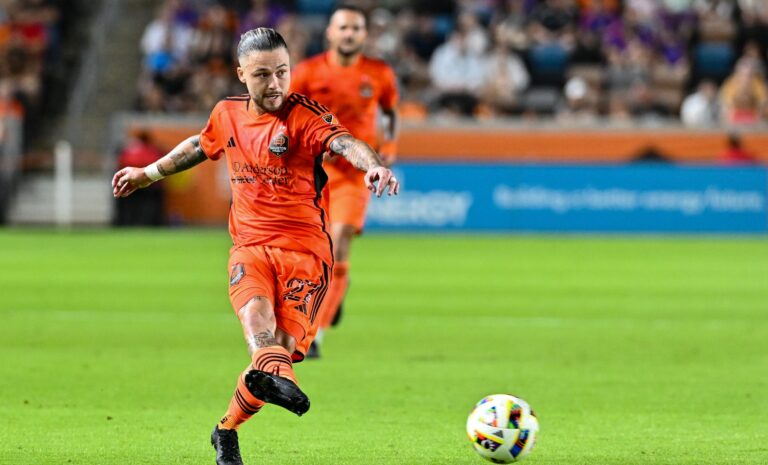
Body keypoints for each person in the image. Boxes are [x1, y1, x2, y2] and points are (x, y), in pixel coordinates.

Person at [112, 28, 399, 465]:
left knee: (276, 353)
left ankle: (225, 430)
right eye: (263, 74)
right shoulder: (227, 114)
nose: (275, 84)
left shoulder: (304, 117)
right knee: (255, 319)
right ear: (241, 73)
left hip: (305, 254)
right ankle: (277, 375)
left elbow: (345, 143)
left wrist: (374, 166)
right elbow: (199, 144)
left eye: (282, 72)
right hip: (250, 246)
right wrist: (147, 173)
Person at [290, 4, 399, 358]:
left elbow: (391, 112)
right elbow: (287, 113)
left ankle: (315, 334)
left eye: (356, 28)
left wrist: (390, 148)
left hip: (356, 174)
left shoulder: (379, 73)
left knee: (338, 243)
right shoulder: (307, 72)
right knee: (313, 251)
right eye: (343, 28)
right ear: (330, 33)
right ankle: (336, 286)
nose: (349, 34)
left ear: (364, 35)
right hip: (314, 172)